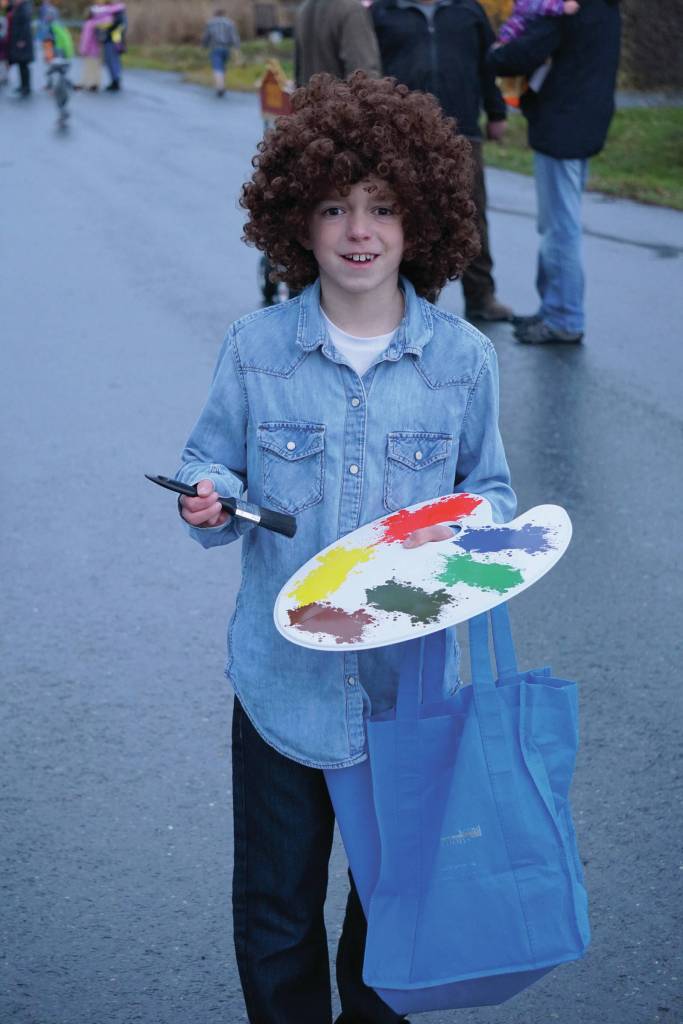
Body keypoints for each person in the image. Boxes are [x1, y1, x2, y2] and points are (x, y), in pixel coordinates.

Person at [173, 71, 515, 1024]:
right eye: (333, 206)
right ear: (296, 220)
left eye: (382, 207)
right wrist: (210, 499)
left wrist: (461, 546)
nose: (358, 230)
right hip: (280, 688)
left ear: (421, 223)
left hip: (407, 693)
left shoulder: (462, 363)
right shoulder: (254, 349)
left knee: (390, 908)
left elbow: (489, 498)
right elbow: (212, 461)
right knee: (276, 912)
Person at [371, 0, 513, 323]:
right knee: (408, 217)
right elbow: (371, 68)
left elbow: (487, 65)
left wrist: (497, 112)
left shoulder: (469, 10)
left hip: (462, 130)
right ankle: (412, 299)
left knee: (471, 214)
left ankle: (481, 296)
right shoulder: (383, 11)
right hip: (402, 136)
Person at [488, 0, 621, 344]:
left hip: (563, 125)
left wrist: (493, 55)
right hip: (586, 119)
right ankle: (554, 308)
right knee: (559, 223)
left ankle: (564, 317)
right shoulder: (605, 8)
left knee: (560, 227)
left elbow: (522, 53)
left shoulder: (567, 9)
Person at [494, 0, 580, 107]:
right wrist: (561, 7)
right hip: (519, 35)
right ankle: (513, 98)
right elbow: (530, 6)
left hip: (539, 40)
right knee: (513, 76)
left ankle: (529, 95)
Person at [294, 0, 381, 87]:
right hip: (340, 97)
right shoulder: (351, 8)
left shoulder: (304, 9)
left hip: (311, 96)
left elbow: (298, 73)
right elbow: (364, 74)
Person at [201, 8, 240, 97]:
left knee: (217, 68)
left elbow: (206, 37)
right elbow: (235, 37)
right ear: (224, 14)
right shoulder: (230, 23)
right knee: (223, 67)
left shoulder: (210, 23)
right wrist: (236, 48)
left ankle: (220, 87)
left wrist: (204, 46)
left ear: (215, 14)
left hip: (215, 48)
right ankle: (222, 85)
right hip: (226, 49)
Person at [7, 0, 34, 97]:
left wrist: (22, 39)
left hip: (23, 41)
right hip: (19, 40)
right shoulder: (19, 8)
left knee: (24, 65)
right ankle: (23, 85)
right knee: (21, 64)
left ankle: (26, 87)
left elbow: (25, 26)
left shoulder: (24, 8)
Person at [78, 5, 104, 91]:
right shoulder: (98, 23)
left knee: (89, 67)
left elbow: (86, 38)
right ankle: (96, 83)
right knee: (96, 67)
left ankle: (89, 84)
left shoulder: (88, 24)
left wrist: (83, 49)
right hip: (97, 49)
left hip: (89, 50)